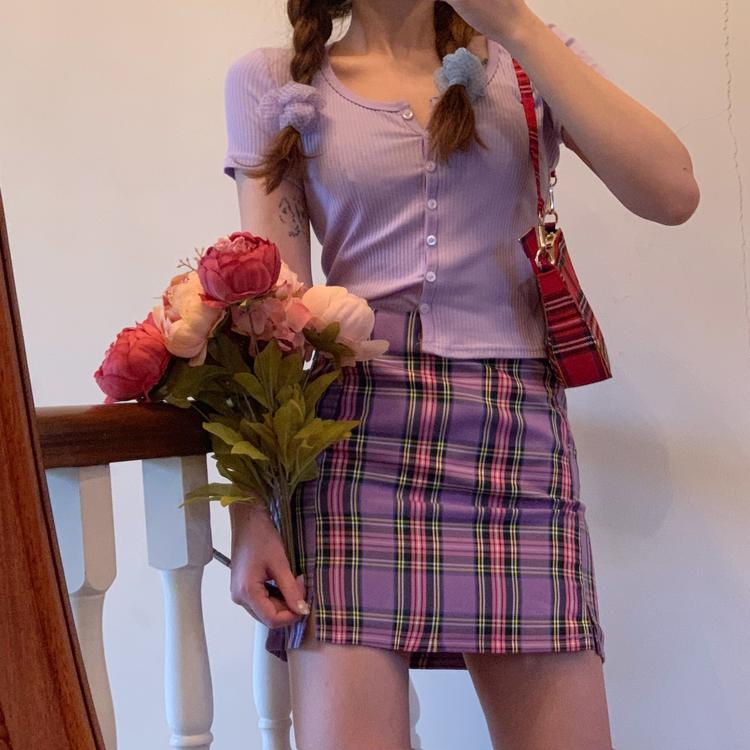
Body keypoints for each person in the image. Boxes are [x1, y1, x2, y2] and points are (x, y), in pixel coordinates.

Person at [222, 2, 700, 748]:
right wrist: (251, 510)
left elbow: (672, 194)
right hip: (353, 440)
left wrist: (518, 26)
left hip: (519, 437)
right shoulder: (277, 81)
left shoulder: (524, 56)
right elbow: (269, 312)